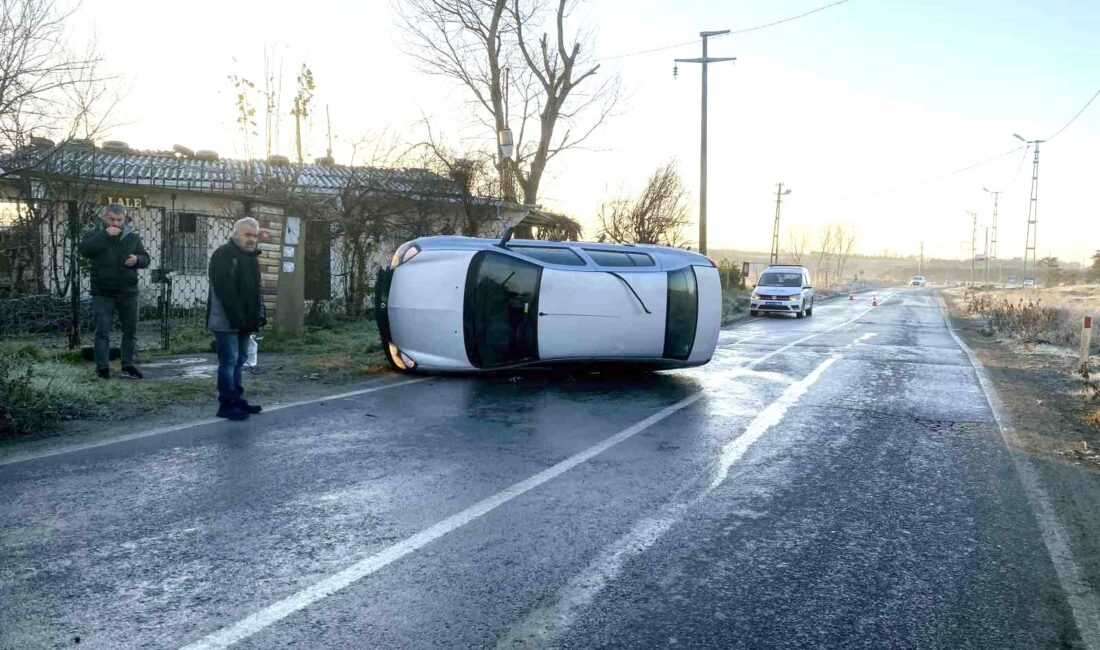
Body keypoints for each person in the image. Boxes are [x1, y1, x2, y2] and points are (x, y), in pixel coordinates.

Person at [78, 203, 151, 379]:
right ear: (104, 218)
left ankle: (127, 365)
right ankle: (102, 369)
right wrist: (104, 235)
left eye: (119, 220)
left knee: (130, 332)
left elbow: (146, 258)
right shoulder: (94, 234)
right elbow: (85, 250)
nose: (116, 223)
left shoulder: (132, 237)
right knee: (102, 332)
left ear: (124, 219)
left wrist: (137, 259)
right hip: (103, 293)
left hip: (128, 292)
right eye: (112, 219)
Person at [207, 217, 267, 420]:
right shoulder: (223, 255)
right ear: (235, 234)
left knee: (240, 360)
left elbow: (255, 292)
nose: (251, 239)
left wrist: (258, 315)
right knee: (229, 360)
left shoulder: (249, 257)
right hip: (226, 319)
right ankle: (226, 403)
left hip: (244, 319)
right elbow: (226, 292)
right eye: (247, 234)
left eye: (254, 235)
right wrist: (240, 318)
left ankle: (237, 399)